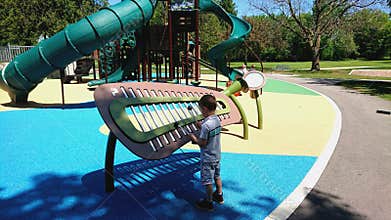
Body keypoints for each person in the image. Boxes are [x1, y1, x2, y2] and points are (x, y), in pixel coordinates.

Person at [189, 94, 224, 211]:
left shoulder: (206, 126)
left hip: (207, 158)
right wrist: (201, 126)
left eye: (201, 109)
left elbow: (202, 143)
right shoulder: (216, 120)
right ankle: (219, 195)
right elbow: (210, 132)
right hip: (217, 155)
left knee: (207, 181)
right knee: (217, 176)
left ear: (204, 109)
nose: (201, 112)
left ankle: (208, 202)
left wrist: (193, 138)